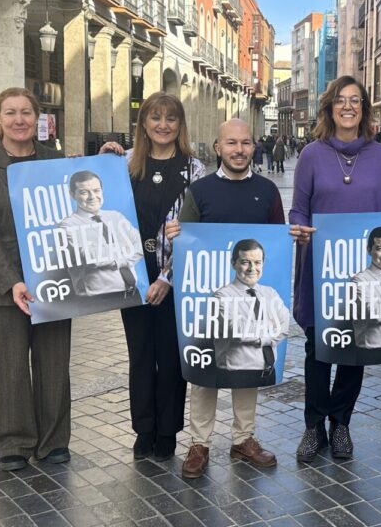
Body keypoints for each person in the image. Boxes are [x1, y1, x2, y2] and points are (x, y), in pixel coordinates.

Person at [166, 118, 291, 479]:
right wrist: (176, 233)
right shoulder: (200, 191)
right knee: (204, 373)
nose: (239, 150)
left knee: (248, 372)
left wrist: (292, 238)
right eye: (231, 143)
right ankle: (199, 443)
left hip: (252, 299)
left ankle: (243, 438)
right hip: (212, 300)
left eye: (246, 143)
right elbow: (185, 244)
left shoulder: (267, 191)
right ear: (218, 147)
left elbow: (276, 245)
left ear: (254, 147)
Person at [290, 75, 381, 463]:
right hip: (322, 267)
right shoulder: (311, 154)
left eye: (355, 100)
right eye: (340, 100)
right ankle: (313, 426)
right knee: (317, 348)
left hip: (365, 272)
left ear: (364, 108)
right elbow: (299, 208)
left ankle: (341, 424)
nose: (348, 106)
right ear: (330, 107)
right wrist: (298, 228)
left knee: (357, 347)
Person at [0, 87, 71, 471]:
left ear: (37, 117)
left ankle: (53, 440)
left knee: (54, 362)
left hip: (53, 279)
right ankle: (12, 441)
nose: (19, 120)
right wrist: (12, 282)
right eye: (10, 112)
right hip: (3, 286)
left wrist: (110, 158)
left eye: (26, 112)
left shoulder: (54, 161)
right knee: (10, 365)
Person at [99, 92, 205, 462]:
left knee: (171, 357)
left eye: (170, 118)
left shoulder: (193, 169)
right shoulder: (125, 164)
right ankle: (144, 429)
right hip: (131, 275)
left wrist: (166, 278)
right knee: (141, 353)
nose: (163, 125)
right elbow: (100, 202)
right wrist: (101, 161)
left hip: (174, 276)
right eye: (155, 117)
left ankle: (167, 431)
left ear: (180, 125)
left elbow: (195, 231)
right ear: (143, 123)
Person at [59, 170, 143, 302]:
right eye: (84, 192)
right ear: (72, 194)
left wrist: (109, 254)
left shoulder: (116, 216)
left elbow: (140, 246)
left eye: (96, 190)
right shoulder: (68, 225)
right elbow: (91, 258)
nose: (92, 196)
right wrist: (125, 247)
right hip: (98, 301)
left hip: (133, 294)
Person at [213, 239, 289, 377]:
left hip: (268, 371)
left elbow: (285, 325)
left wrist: (252, 328)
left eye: (257, 262)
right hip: (236, 373)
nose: (252, 268)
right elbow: (237, 331)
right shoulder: (222, 296)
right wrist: (271, 326)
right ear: (233, 263)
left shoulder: (270, 293)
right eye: (245, 262)